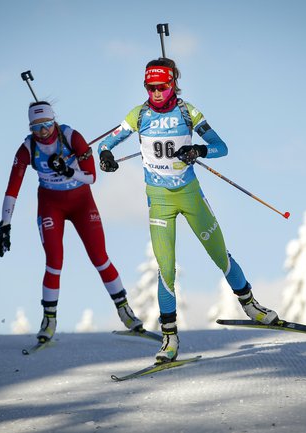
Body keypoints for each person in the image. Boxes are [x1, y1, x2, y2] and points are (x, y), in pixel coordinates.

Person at [97, 58, 278, 363]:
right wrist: (105, 157)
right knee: (165, 270)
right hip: (160, 201)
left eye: (162, 86)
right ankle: (169, 338)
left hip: (190, 196)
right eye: (150, 87)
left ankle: (251, 306)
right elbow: (107, 144)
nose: (156, 92)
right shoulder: (138, 115)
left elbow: (221, 146)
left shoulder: (187, 112)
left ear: (173, 85)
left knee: (220, 254)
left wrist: (198, 150)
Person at [0, 101, 145, 344]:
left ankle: (124, 310)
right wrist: (5, 225)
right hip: (51, 204)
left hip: (81, 202)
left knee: (99, 256)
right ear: (30, 128)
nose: (43, 132)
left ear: (54, 121)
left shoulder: (72, 137)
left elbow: (92, 177)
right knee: (54, 261)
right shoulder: (27, 148)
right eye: (36, 127)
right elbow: (13, 188)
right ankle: (49, 319)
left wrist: (68, 171)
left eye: (47, 125)